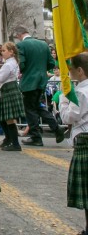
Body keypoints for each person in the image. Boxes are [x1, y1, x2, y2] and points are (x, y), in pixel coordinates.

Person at [13, 25, 65, 146]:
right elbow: (51, 63)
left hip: (29, 82)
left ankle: (36, 137)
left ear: (19, 35)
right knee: (38, 107)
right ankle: (56, 128)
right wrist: (41, 70)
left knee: (30, 109)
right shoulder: (43, 44)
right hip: (41, 81)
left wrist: (22, 73)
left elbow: (22, 65)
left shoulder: (21, 45)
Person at [59, 52, 88, 235]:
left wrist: (63, 99)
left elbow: (68, 116)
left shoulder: (80, 92)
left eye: (71, 69)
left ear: (80, 70)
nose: (68, 72)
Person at [0, 42, 26, 151]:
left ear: (11, 52)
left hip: (9, 90)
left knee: (9, 118)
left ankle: (14, 143)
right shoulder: (11, 62)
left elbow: (1, 78)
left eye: (4, 50)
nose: (2, 52)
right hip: (9, 89)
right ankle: (8, 138)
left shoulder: (9, 63)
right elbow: (4, 74)